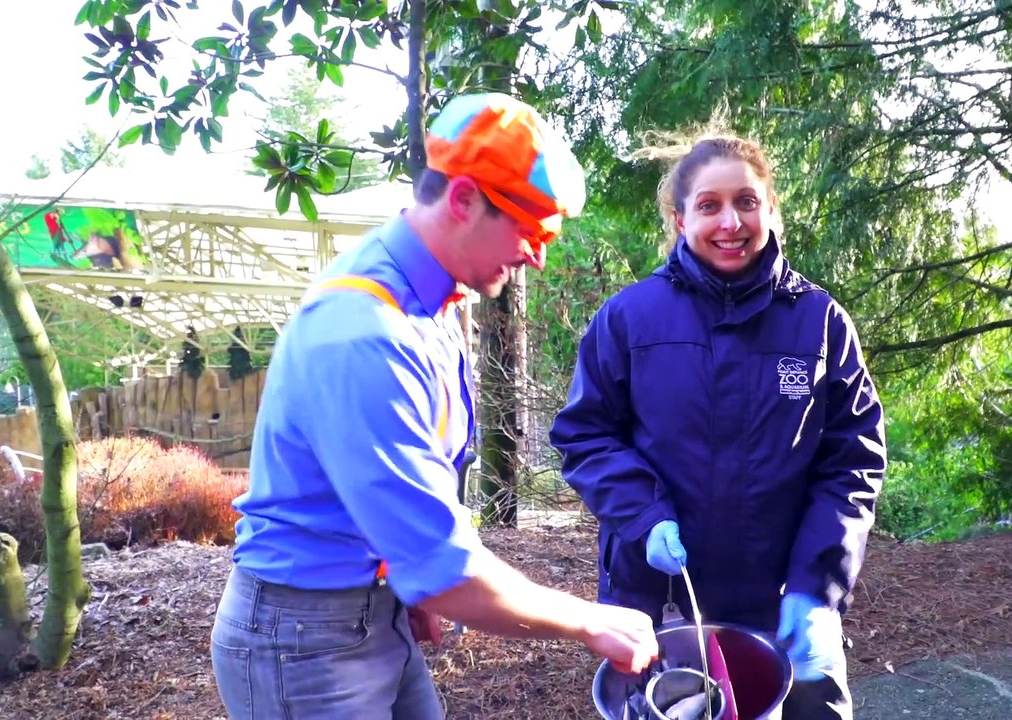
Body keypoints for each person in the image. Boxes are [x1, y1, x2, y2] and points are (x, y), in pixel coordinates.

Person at [209, 92, 659, 720]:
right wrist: (588, 620)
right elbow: (444, 568)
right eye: (531, 229)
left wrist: (402, 572)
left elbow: (406, 493)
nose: (539, 254)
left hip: (374, 611)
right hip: (304, 647)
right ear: (464, 199)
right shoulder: (366, 333)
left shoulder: (431, 297)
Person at [549, 129, 887, 719]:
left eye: (747, 201)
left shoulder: (819, 321)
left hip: (785, 597)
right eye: (709, 206)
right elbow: (585, 434)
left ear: (770, 209)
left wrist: (817, 584)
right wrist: (644, 515)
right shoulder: (629, 318)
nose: (730, 221)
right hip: (660, 600)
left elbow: (853, 460)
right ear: (680, 220)